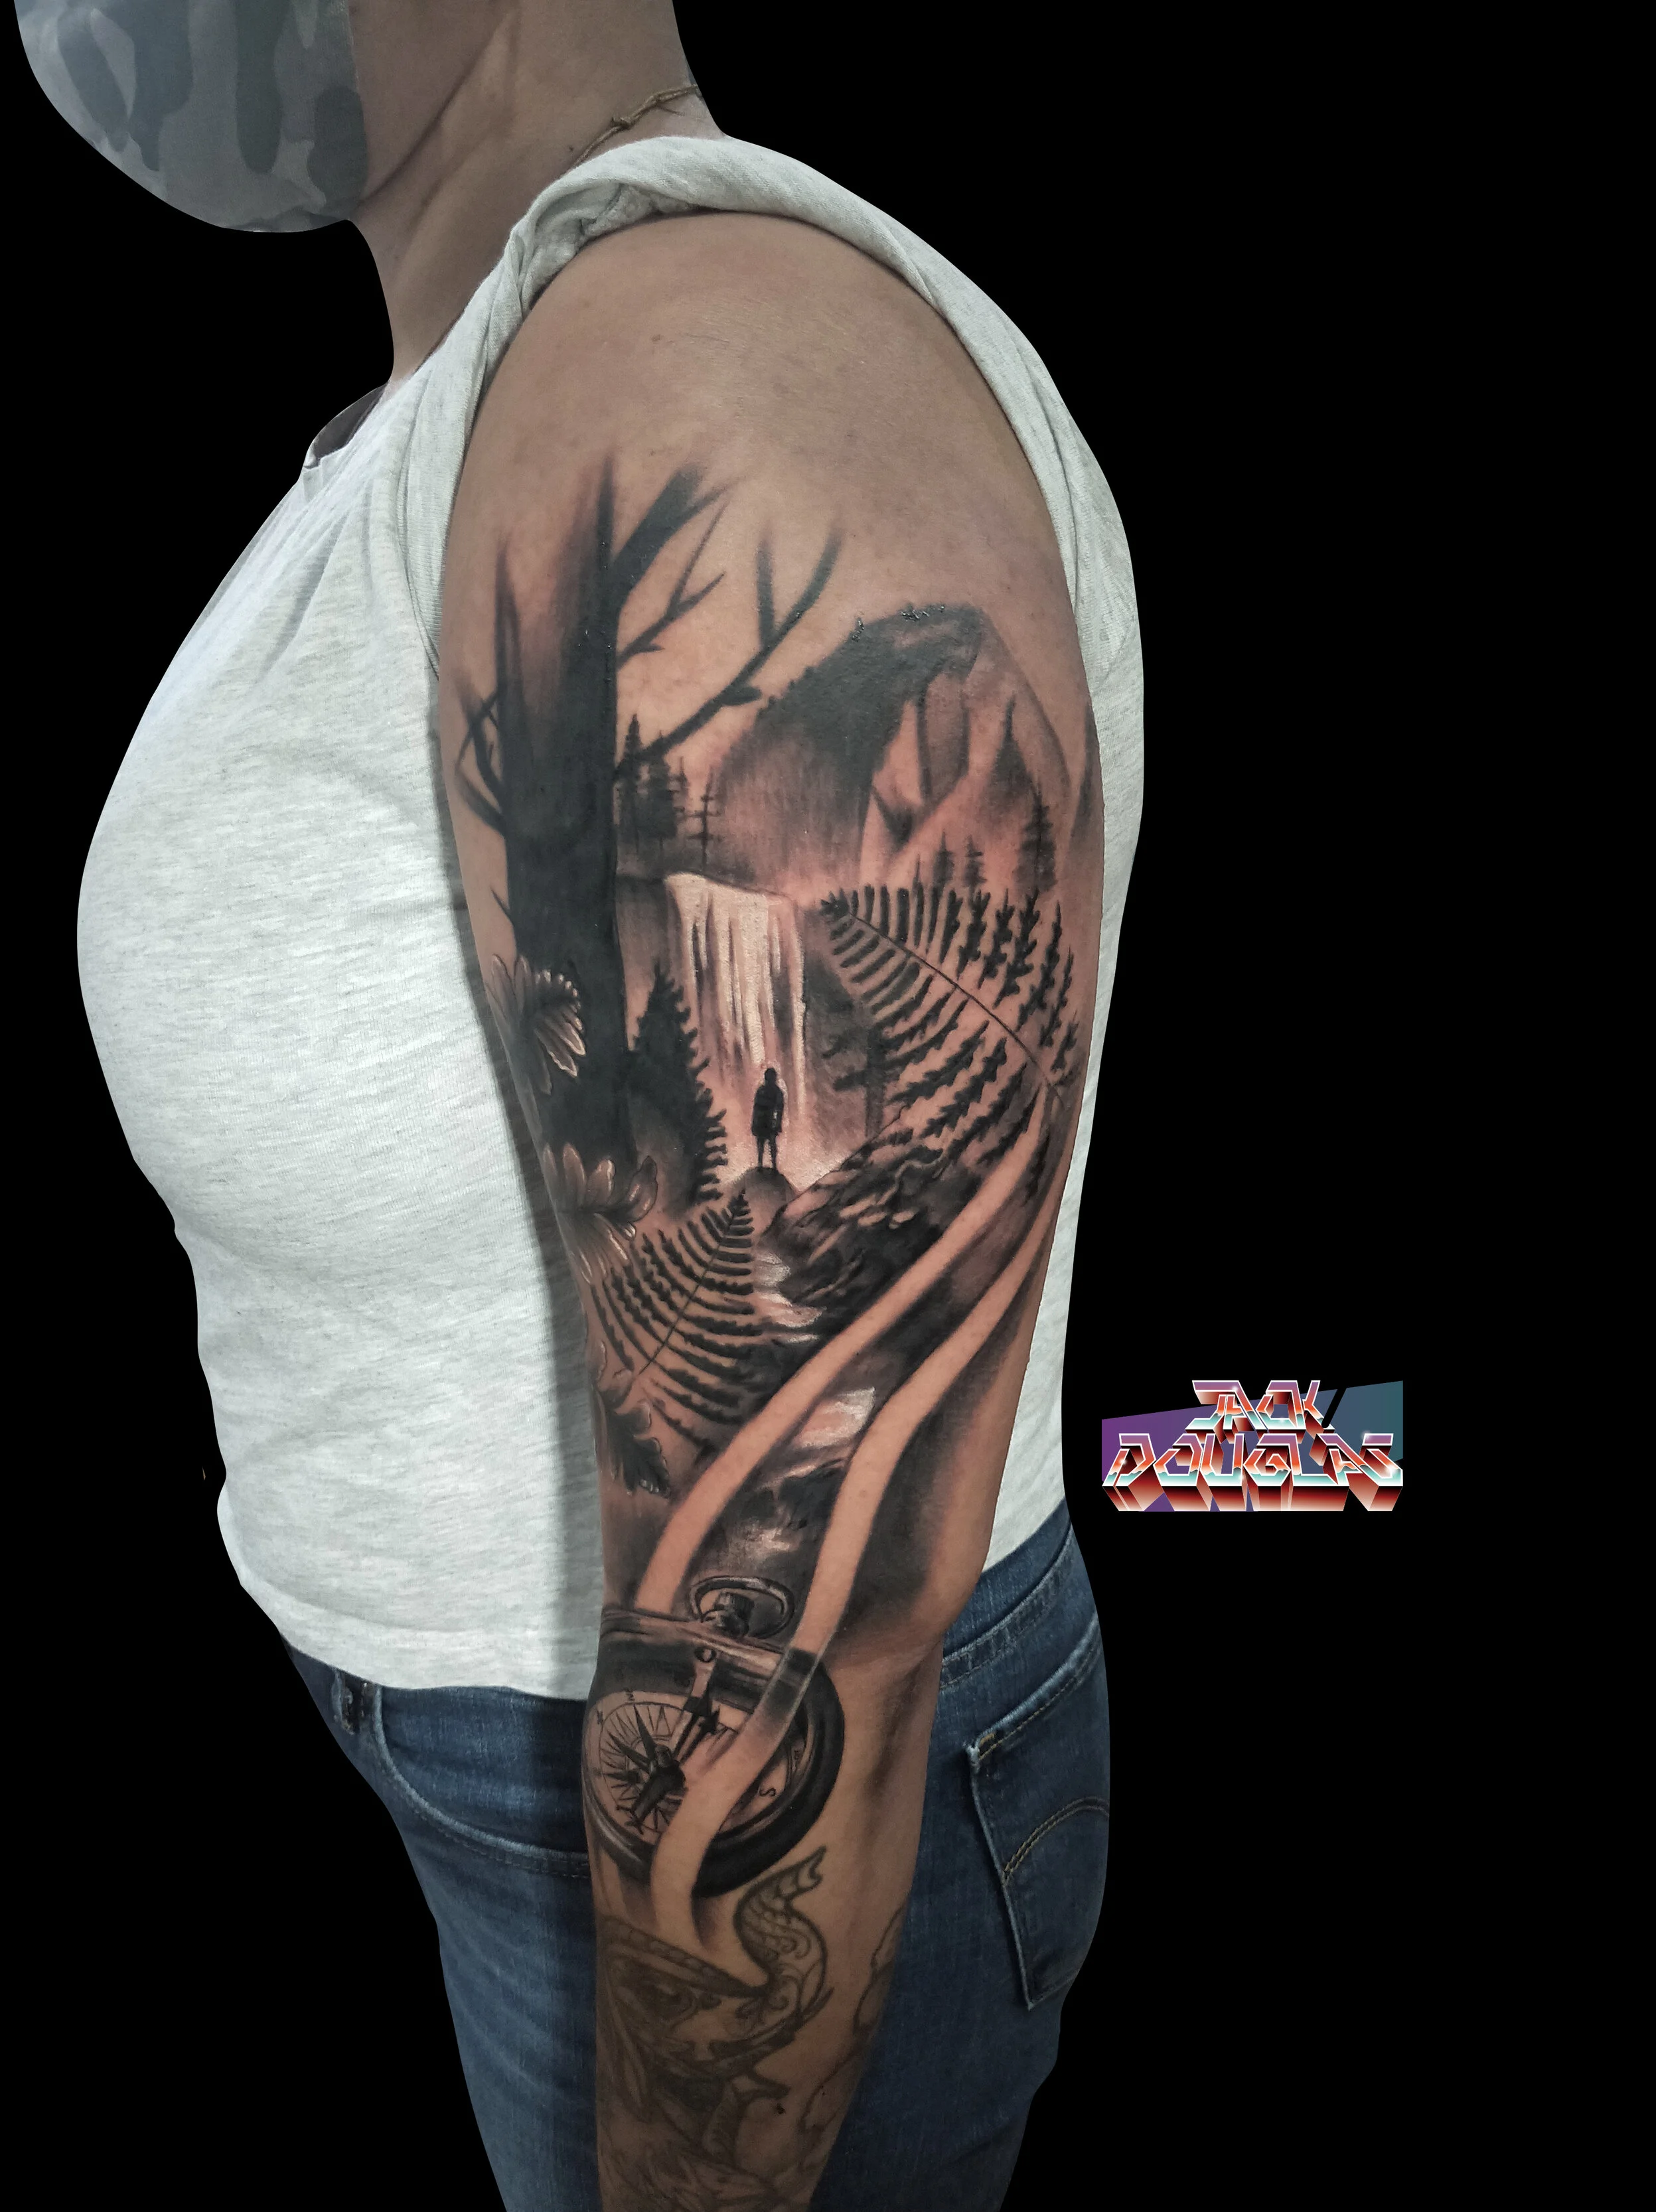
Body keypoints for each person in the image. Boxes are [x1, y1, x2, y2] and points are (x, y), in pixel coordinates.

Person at [40, 3, 1142, 2205]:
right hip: (548, 1780)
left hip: (701, 1846)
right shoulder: (497, 396)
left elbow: (807, 1594)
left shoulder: (696, 385)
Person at [752, 1067, 786, 1172]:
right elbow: (756, 1108)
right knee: (761, 1144)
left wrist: (778, 1123)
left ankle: (774, 1166)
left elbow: (780, 1110)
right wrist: (754, 1123)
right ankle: (760, 1164)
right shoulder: (762, 1091)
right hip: (762, 1121)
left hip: (770, 1121)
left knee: (772, 1145)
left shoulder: (777, 1092)